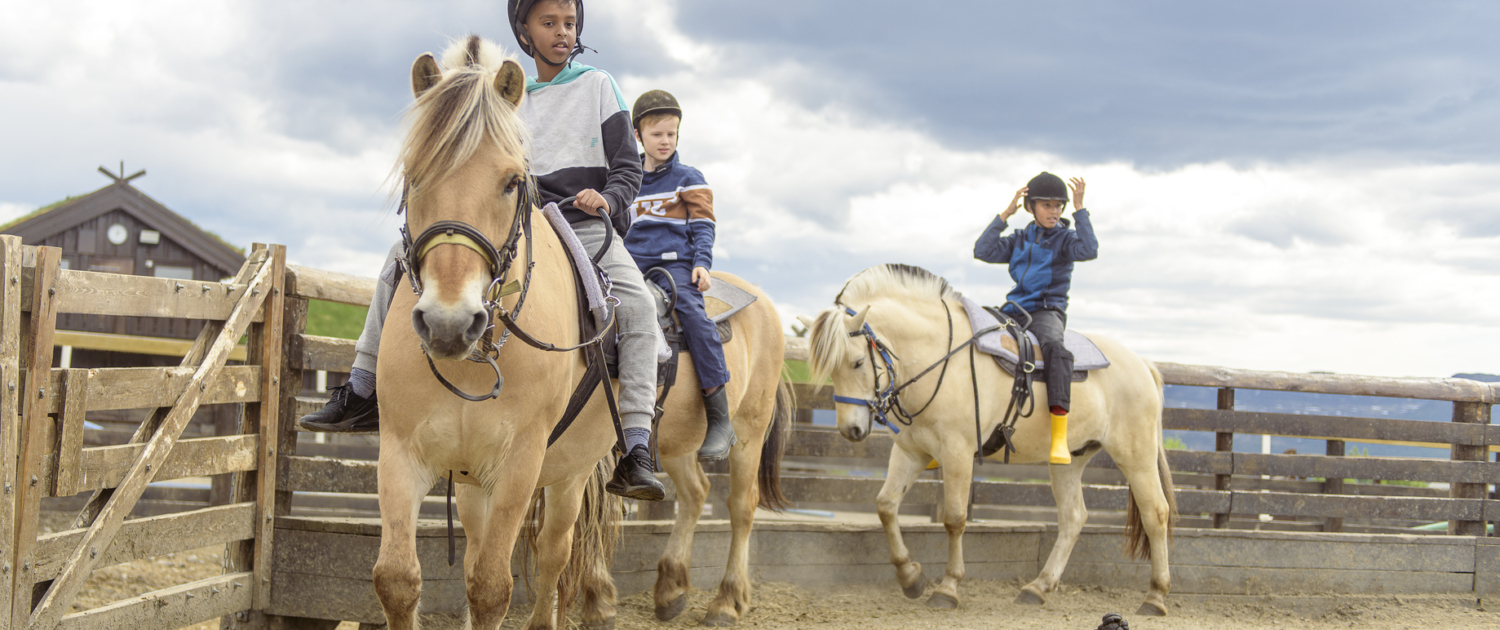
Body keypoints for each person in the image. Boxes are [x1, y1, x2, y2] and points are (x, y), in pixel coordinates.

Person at [300, 0, 666, 501]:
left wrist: (610, 197)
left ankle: (637, 444)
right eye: (549, 23)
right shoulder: (501, 94)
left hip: (583, 224)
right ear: (524, 31)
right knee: (396, 259)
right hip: (517, 220)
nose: (562, 33)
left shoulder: (598, 86)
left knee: (640, 306)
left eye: (570, 24)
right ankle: (362, 387)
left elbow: (628, 166)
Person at [622, 89, 736, 461]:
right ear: (639, 135)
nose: (666, 141)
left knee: (694, 316)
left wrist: (701, 262)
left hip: (673, 266)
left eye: (672, 134)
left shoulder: (689, 178)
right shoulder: (627, 179)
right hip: (631, 267)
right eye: (658, 134)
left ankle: (720, 418)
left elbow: (703, 225)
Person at [973, 172, 1097, 465]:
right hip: (1014, 309)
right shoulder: (1018, 239)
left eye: (1059, 206)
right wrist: (1005, 214)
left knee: (1055, 349)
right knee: (976, 336)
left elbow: (1089, 250)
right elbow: (983, 250)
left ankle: (1058, 435)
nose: (1054, 212)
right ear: (1031, 207)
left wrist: (1080, 209)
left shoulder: (1066, 240)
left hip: (1046, 311)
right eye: (1047, 205)